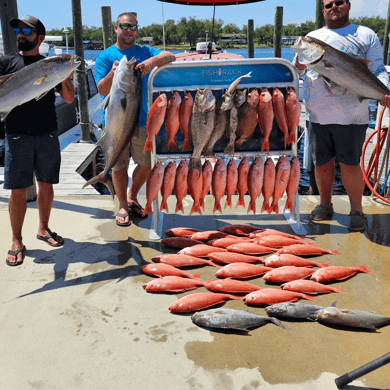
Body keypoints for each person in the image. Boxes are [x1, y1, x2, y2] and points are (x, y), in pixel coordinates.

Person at [294, 0, 390, 231]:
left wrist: (384, 92)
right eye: (328, 5)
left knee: (350, 163)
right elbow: (296, 70)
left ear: (348, 5)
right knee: (322, 163)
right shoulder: (314, 35)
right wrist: (299, 62)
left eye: (339, 3)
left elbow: (377, 69)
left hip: (352, 114)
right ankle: (325, 204)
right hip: (318, 112)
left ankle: (356, 210)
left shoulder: (365, 34)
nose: (333, 7)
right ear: (323, 10)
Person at [0, 15, 75, 266]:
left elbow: (67, 99)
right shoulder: (6, 61)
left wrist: (65, 75)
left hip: (47, 133)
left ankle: (43, 229)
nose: (20, 34)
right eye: (18, 30)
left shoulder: (50, 64)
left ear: (40, 38)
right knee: (18, 191)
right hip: (17, 135)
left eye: (27, 31)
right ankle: (16, 240)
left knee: (46, 185)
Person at [95, 12, 175, 226]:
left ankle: (132, 195)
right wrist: (113, 74)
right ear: (115, 28)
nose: (129, 30)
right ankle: (122, 204)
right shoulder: (105, 56)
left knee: (147, 163)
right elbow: (101, 89)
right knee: (118, 165)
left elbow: (170, 56)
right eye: (125, 26)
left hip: (142, 121)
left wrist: (149, 63)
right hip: (115, 122)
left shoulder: (145, 51)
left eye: (133, 27)